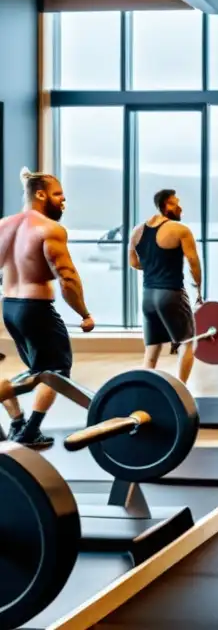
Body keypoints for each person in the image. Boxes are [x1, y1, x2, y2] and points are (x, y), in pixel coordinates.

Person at [0, 169, 94, 449]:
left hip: (10, 307)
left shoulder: (3, 225)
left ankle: (17, 422)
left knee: (35, 371)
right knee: (55, 371)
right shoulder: (49, 228)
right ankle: (30, 431)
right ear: (40, 195)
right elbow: (67, 277)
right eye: (58, 195)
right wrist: (84, 314)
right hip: (36, 309)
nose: (63, 201)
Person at [128, 190, 202, 385]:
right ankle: (181, 390)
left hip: (148, 297)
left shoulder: (137, 230)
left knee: (152, 349)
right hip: (171, 293)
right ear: (166, 206)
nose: (180, 208)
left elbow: (133, 262)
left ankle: (143, 391)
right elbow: (193, 262)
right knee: (186, 342)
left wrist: (153, 265)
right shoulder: (179, 229)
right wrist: (199, 288)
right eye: (176, 203)